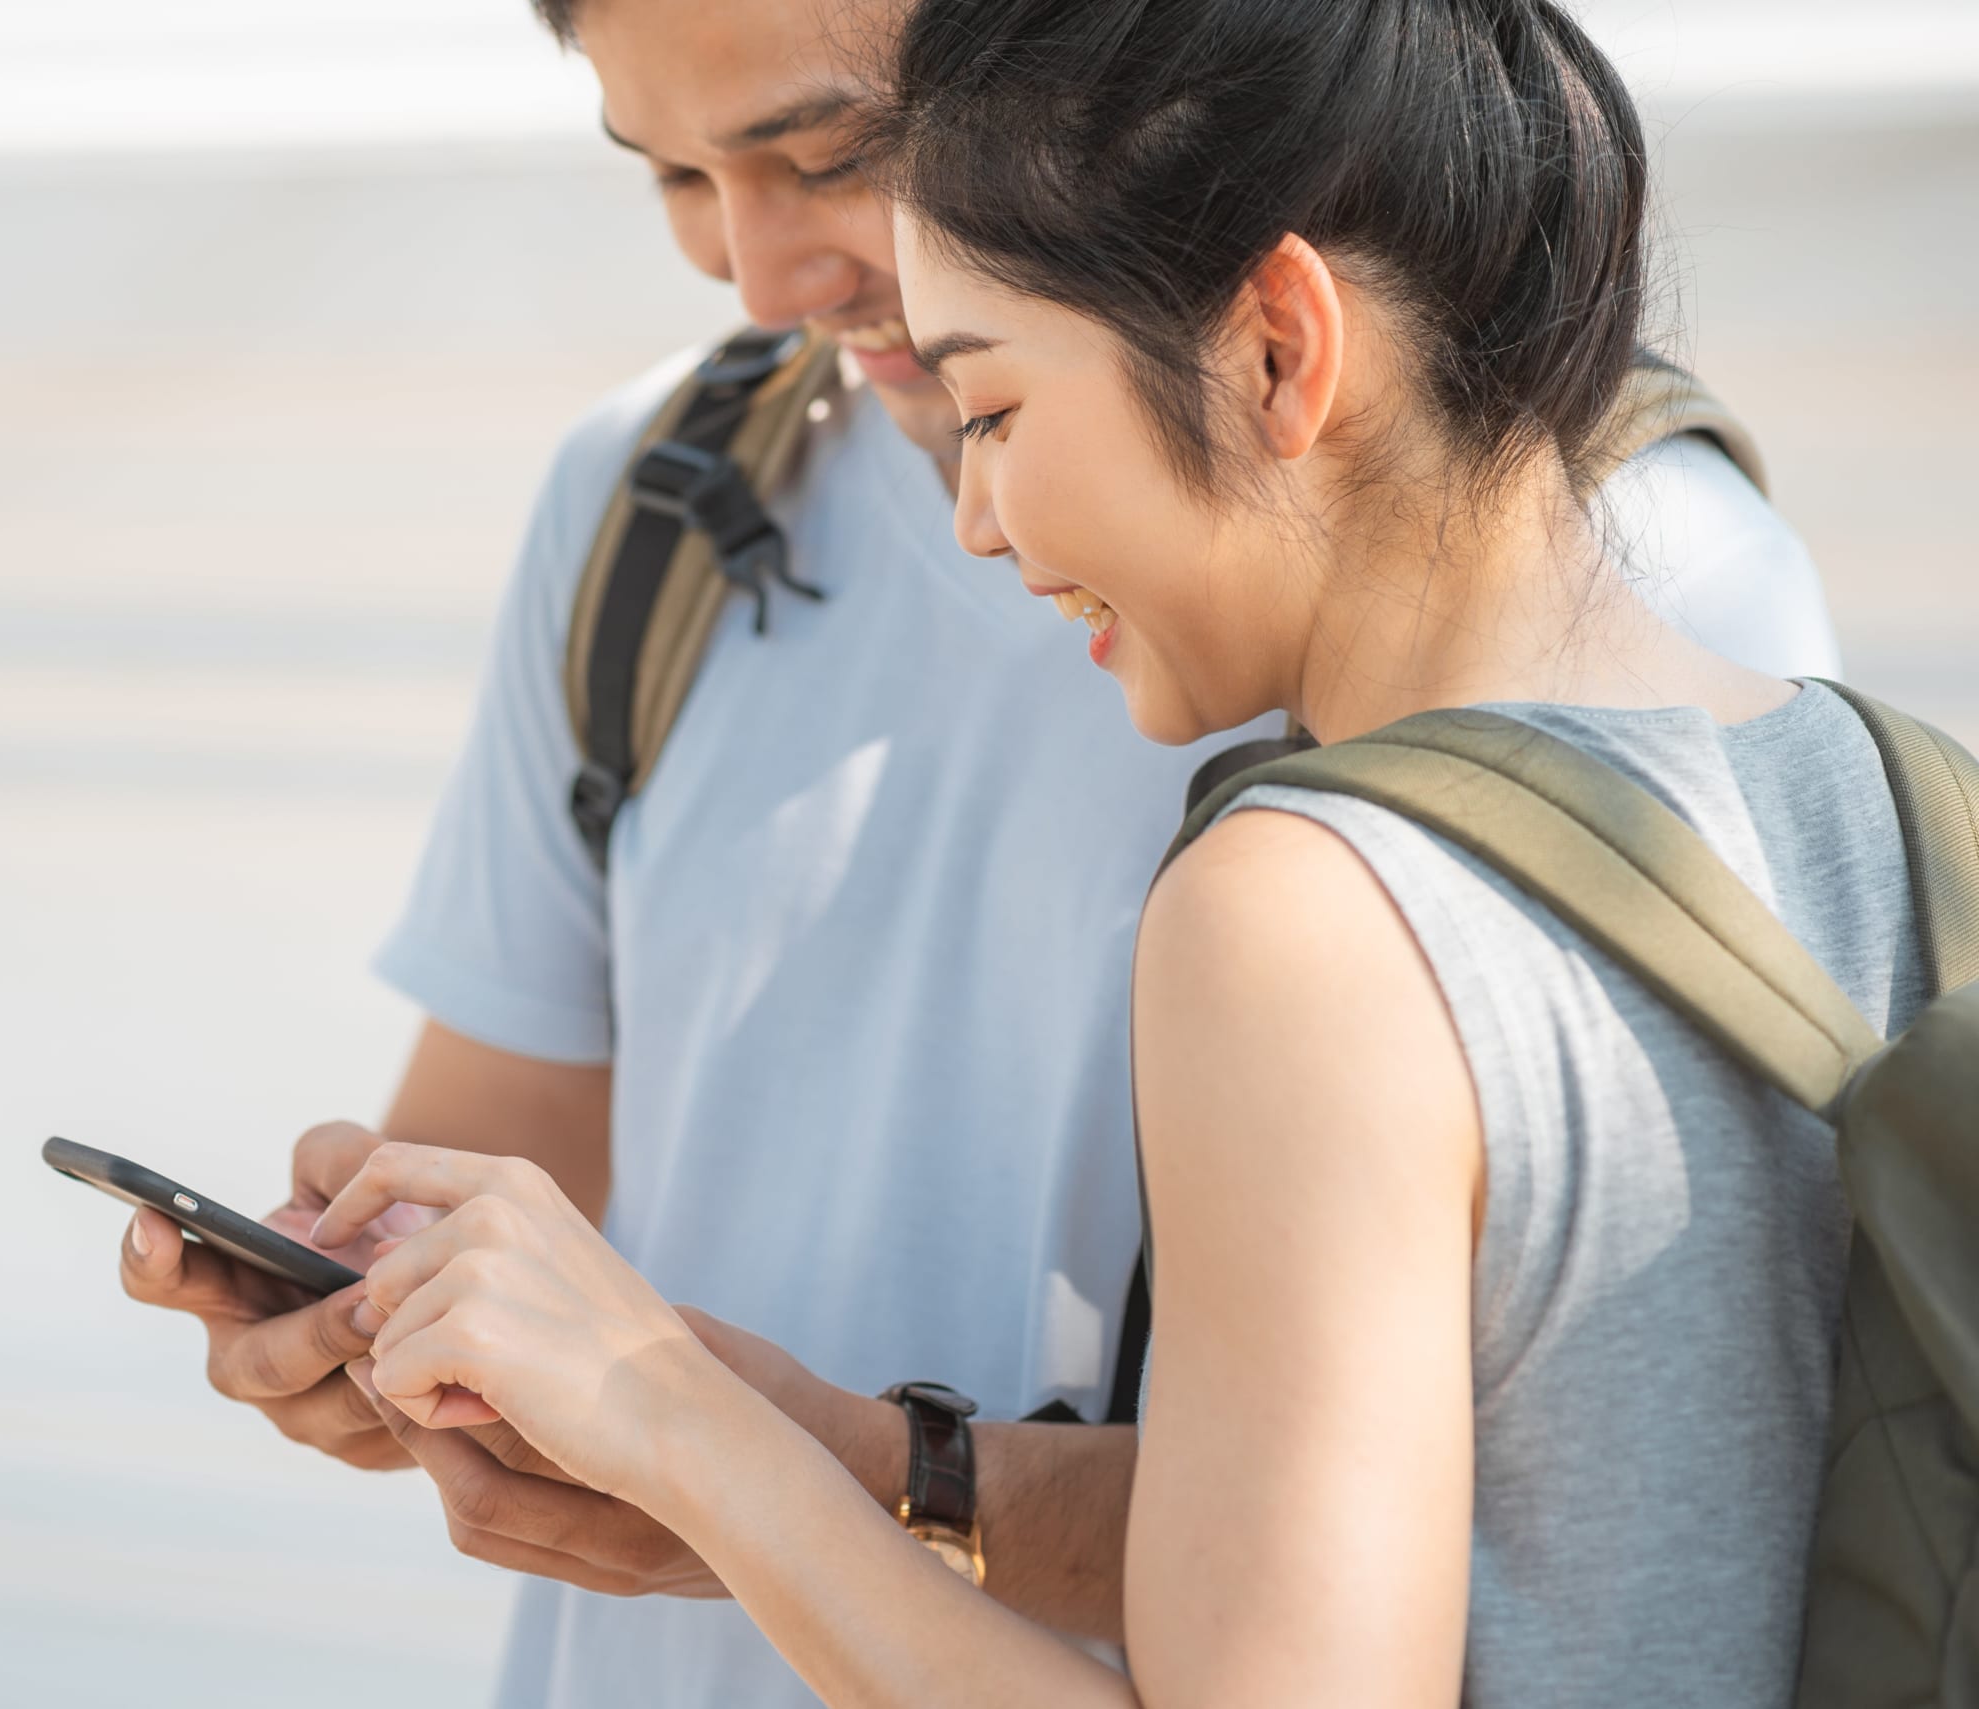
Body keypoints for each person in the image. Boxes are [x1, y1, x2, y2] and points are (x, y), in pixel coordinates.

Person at [114, 0, 1847, 1702]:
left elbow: (1506, 1510)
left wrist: (722, 1445)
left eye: (831, 153)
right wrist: (392, 1318)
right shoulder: (658, 504)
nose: (759, 275)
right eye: (674, 180)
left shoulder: (1362, 839)